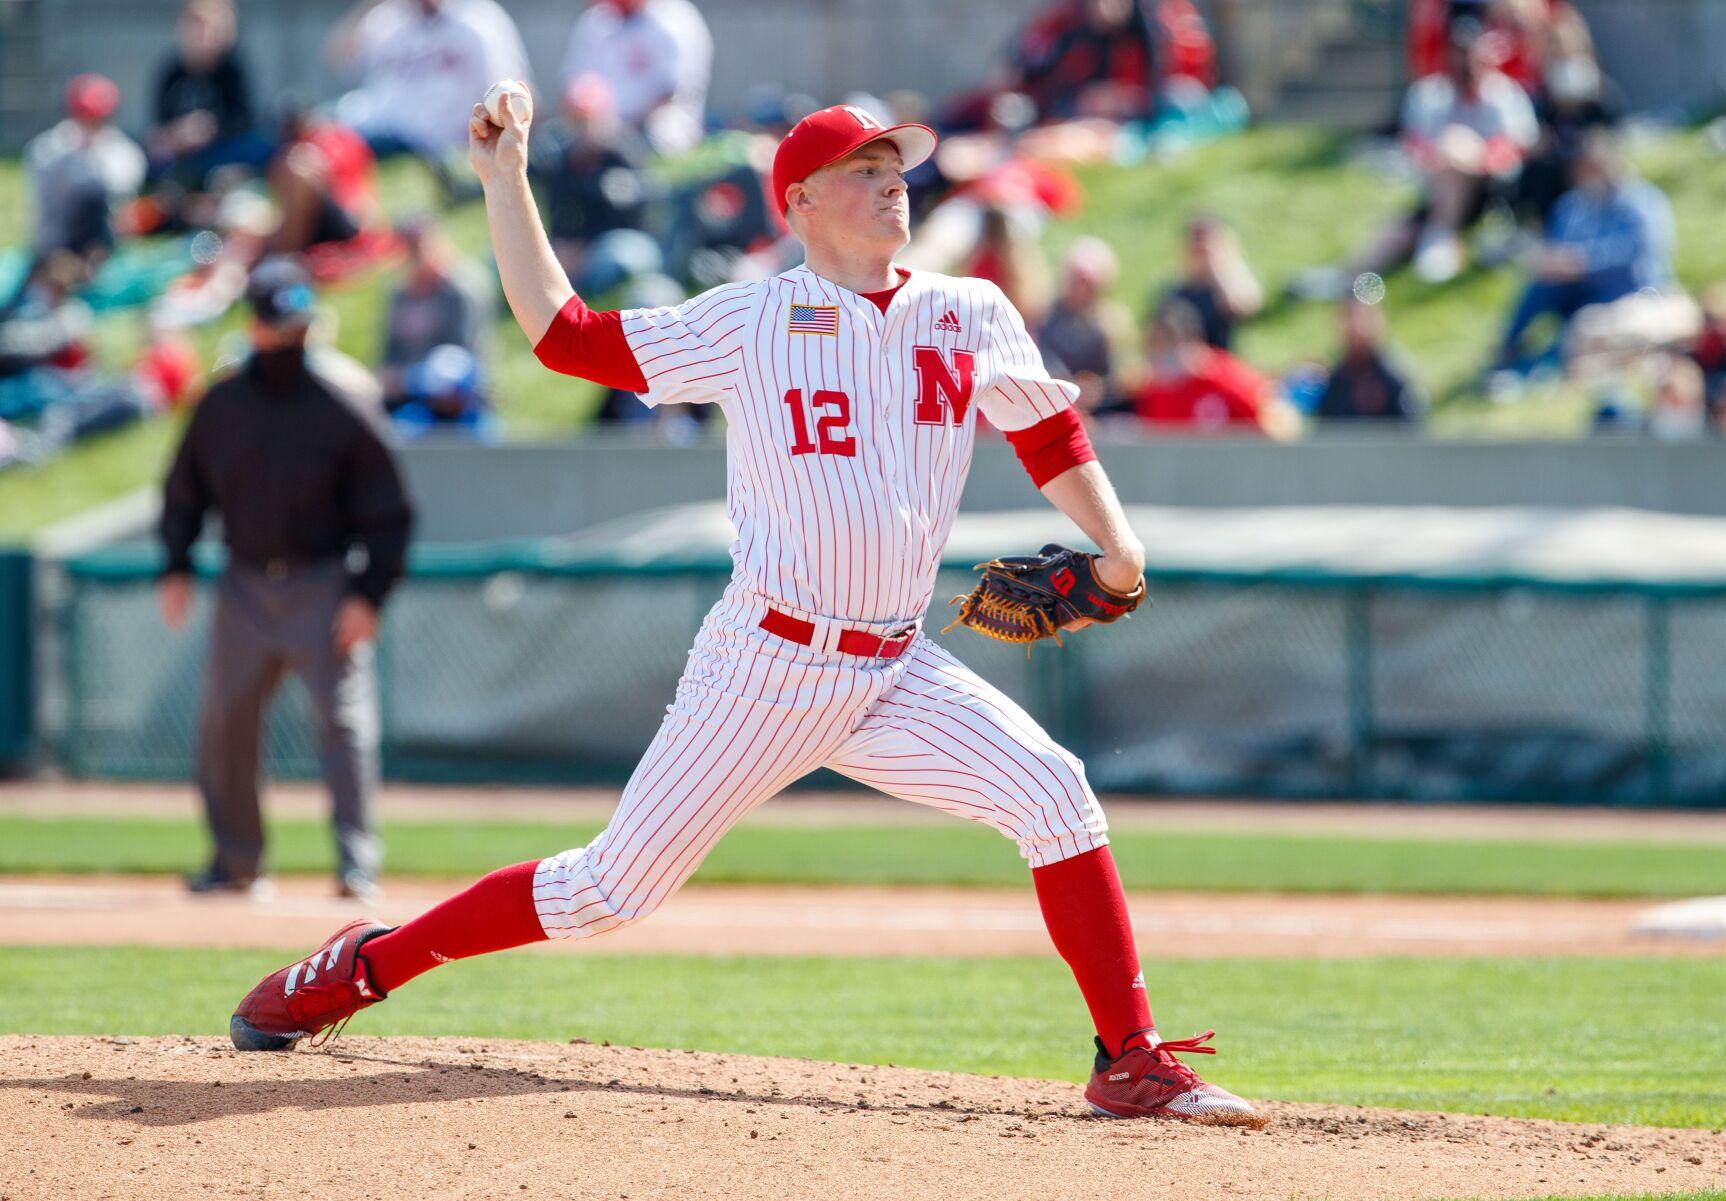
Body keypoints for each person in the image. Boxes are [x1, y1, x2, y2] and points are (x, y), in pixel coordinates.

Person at [226, 96, 1260, 1127]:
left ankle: (1128, 1057)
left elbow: (1047, 434)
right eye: (863, 165)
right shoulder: (750, 319)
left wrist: (1119, 553)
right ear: (800, 200)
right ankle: (366, 965)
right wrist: (506, 183)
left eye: (896, 161)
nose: (892, 176)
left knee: (1054, 792)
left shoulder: (971, 309)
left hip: (896, 667)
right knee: (605, 893)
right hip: (768, 665)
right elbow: (564, 337)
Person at [157, 257, 414, 904]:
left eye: (297, 323)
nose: (290, 335)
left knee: (346, 726)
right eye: (281, 323)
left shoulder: (339, 404)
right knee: (226, 725)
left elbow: (390, 511)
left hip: (323, 584)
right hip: (243, 583)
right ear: (257, 325)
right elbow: (184, 491)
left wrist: (368, 593)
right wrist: (176, 562)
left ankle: (358, 866)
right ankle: (235, 862)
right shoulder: (220, 404)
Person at [1491, 132, 1673, 375]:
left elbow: (1640, 249)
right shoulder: (1571, 205)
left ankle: (1537, 368)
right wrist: (1547, 260)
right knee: (1542, 283)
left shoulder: (1642, 200)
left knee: (1585, 325)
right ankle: (1508, 348)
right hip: (1579, 288)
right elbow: (1556, 245)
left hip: (1630, 290)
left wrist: (1583, 261)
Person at [327, 0, 532, 168]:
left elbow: (508, 96)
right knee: (318, 141)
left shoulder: (479, 19)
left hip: (436, 144)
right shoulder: (387, 18)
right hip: (376, 130)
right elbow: (338, 57)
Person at [528, 74, 661, 296]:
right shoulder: (559, 161)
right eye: (577, 120)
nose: (584, 128)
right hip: (572, 250)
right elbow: (556, 216)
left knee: (619, 258)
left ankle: (591, 294)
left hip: (617, 244)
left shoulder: (624, 155)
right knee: (511, 254)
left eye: (589, 120)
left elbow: (635, 218)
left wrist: (584, 249)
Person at [147, 0, 269, 198]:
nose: (203, 36)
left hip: (224, 148)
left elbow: (245, 117)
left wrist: (209, 129)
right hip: (183, 153)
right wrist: (177, 134)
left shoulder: (232, 69)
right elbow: (160, 123)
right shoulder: (172, 72)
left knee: (262, 146)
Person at [24, 75, 147, 269]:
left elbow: (117, 197)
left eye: (99, 118)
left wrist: (91, 157)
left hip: (104, 245)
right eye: (85, 116)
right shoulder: (48, 150)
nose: (91, 124)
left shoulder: (123, 153)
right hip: (57, 243)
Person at [560, 0, 712, 156]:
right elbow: (575, 83)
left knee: (659, 132)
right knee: (557, 145)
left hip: (656, 127)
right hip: (598, 128)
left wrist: (622, 128)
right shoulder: (595, 20)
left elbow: (672, 92)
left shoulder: (675, 18)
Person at [379, 215, 492, 409]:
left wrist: (409, 379)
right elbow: (389, 354)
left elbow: (459, 356)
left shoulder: (460, 290)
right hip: (405, 395)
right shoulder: (400, 295)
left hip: (455, 395)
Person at [1132, 297, 1289, 435]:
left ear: (1191, 340)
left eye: (1164, 344)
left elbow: (1279, 425)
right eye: (1151, 345)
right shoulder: (1151, 392)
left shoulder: (1227, 378)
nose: (1157, 354)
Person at [1036, 237, 1133, 414]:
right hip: (1051, 406)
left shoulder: (1112, 323)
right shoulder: (1042, 317)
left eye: (1088, 283)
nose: (1081, 288)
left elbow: (1125, 375)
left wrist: (1097, 388)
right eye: (1076, 280)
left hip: (1102, 412)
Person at [1160, 215, 1262, 351]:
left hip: (1223, 362)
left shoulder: (1234, 282)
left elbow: (1241, 308)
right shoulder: (1176, 290)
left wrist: (1215, 266)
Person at [1314, 299, 1423, 423]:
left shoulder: (1394, 376)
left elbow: (1411, 428)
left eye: (1361, 319)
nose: (1354, 327)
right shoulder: (1335, 381)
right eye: (1348, 318)